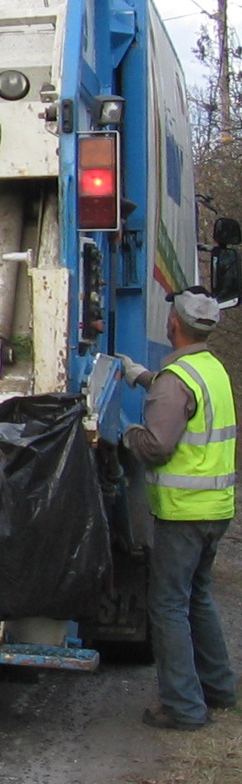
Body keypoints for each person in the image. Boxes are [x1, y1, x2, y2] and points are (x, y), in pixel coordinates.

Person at [117, 289, 237, 731]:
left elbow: (157, 445)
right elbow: (185, 400)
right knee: (197, 597)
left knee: (168, 605)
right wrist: (143, 377)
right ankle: (219, 689)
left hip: (183, 512)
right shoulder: (212, 369)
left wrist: (126, 432)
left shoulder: (177, 379)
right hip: (215, 507)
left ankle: (184, 707)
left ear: (174, 325)